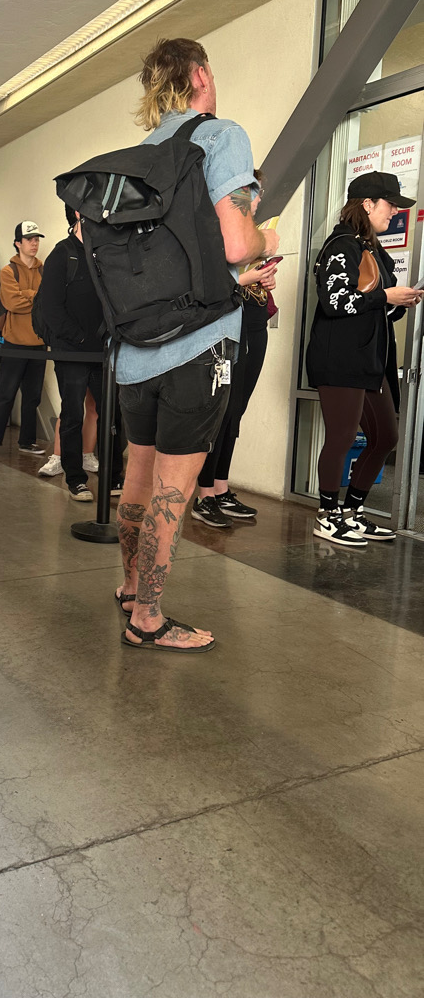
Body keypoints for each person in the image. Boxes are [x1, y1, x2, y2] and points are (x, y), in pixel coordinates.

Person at [114, 37, 279, 653]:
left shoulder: (140, 154)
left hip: (134, 349)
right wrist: (265, 237)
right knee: (173, 489)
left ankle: (130, 588)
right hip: (197, 345)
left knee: (136, 472)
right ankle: (148, 620)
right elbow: (237, 244)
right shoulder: (219, 136)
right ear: (202, 74)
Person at [306, 171, 421, 547]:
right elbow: (335, 302)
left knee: (385, 435)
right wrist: (385, 298)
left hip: (369, 360)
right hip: (340, 358)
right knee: (341, 437)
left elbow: (375, 305)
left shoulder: (372, 248)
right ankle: (327, 515)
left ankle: (352, 512)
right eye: (389, 205)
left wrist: (399, 302)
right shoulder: (341, 245)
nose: (394, 213)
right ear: (367, 204)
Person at [191, 176, 279, 527]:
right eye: (251, 194)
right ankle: (204, 493)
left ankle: (221, 487)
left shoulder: (252, 235)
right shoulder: (215, 234)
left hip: (253, 324)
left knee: (236, 412)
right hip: (225, 329)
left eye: (258, 194)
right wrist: (246, 278)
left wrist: (266, 278)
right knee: (221, 412)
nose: (256, 201)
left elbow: (250, 280)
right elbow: (206, 285)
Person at [36, 205, 125, 501]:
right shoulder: (62, 254)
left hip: (104, 351)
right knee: (72, 414)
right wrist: (80, 337)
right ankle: (76, 478)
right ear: (77, 215)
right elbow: (50, 308)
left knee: (112, 413)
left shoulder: (106, 255)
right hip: (72, 351)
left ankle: (113, 477)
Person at [0, 221, 48, 459]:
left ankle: (27, 441)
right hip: (15, 342)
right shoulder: (8, 271)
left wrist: (28, 296)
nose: (34, 243)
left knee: (33, 397)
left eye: (37, 239)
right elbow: (12, 303)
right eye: (29, 239)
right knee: (5, 394)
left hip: (39, 343)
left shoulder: (44, 270)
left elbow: (48, 303)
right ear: (18, 243)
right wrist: (35, 297)